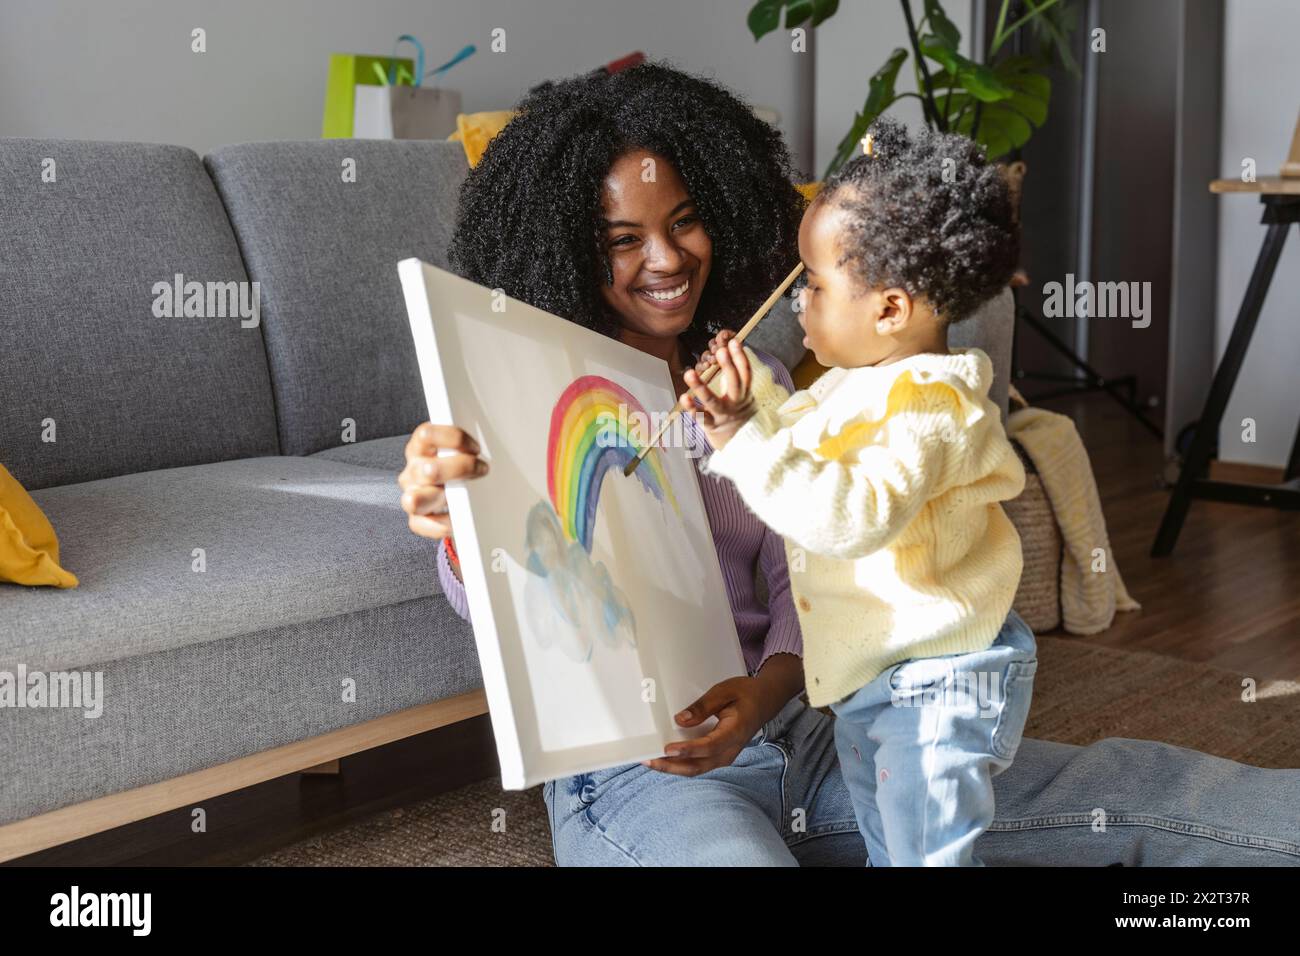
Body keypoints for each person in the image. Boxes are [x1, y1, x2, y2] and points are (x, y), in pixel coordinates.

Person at [398, 61, 1300, 866]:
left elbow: (814, 575)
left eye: (685, 220)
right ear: (564, 247)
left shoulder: (768, 382)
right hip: (650, 770)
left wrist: (762, 696)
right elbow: (535, 590)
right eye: (623, 239)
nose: (667, 259)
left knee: (1152, 802)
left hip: (827, 733)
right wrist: (458, 523)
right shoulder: (535, 390)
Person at [681, 118, 1035, 866]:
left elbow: (851, 515)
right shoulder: (853, 383)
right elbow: (804, 450)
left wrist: (743, 436)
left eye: (812, 284)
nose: (795, 304)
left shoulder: (933, 406)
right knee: (889, 843)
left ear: (890, 310)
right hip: (872, 673)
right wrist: (744, 408)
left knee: (927, 850)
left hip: (940, 679)